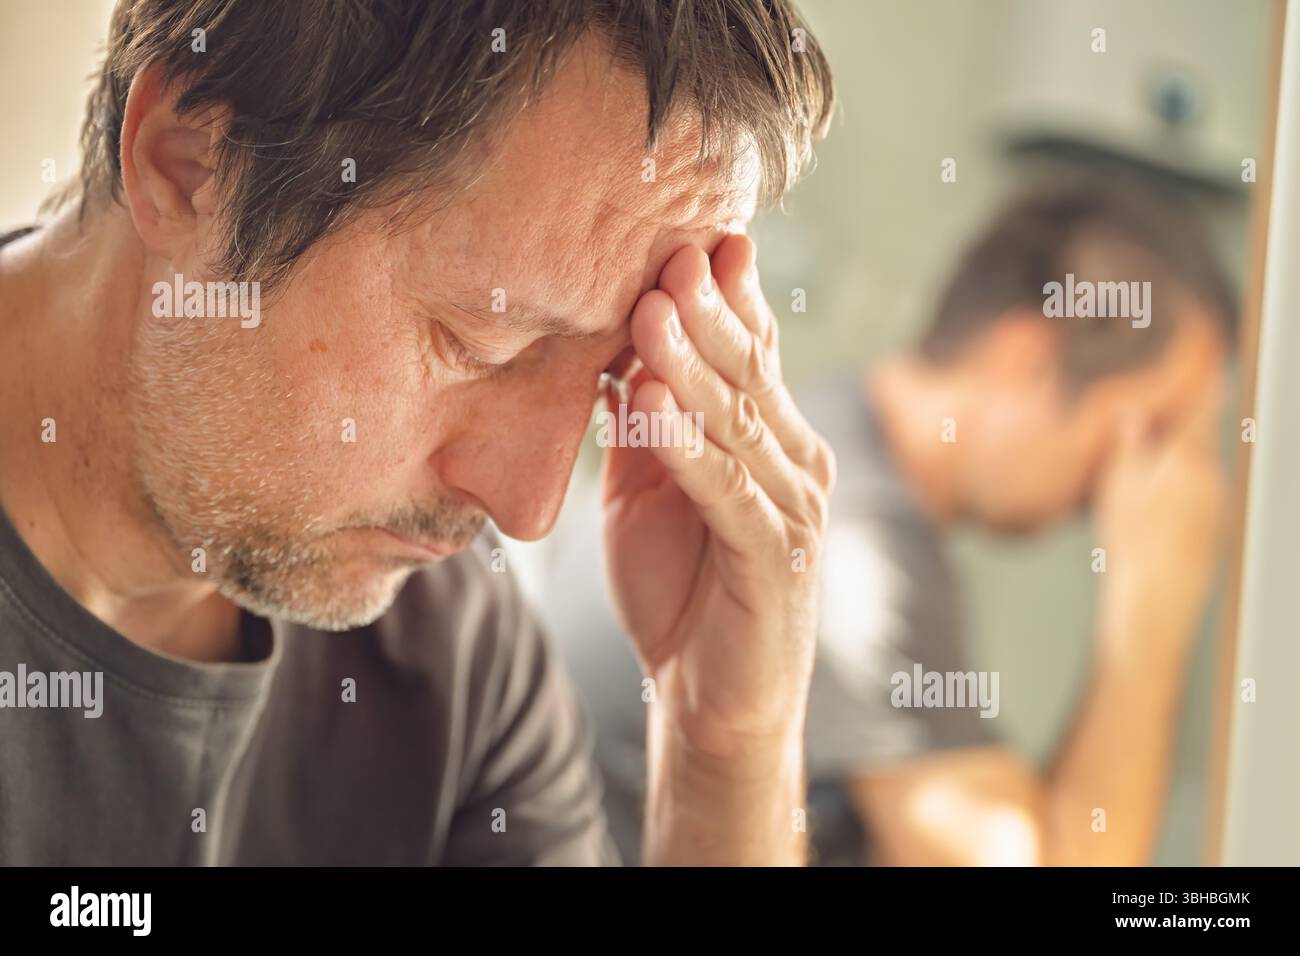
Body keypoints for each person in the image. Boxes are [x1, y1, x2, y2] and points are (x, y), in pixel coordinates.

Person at [0, 0, 837, 865]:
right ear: (189, 162)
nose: (528, 509)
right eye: (484, 346)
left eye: (608, 384)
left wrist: (728, 751)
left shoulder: (458, 651)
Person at [543, 175, 1236, 865]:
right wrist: (1152, 612)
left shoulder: (841, 452)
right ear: (1024, 358)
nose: (1146, 488)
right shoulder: (858, 549)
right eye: (1150, 434)